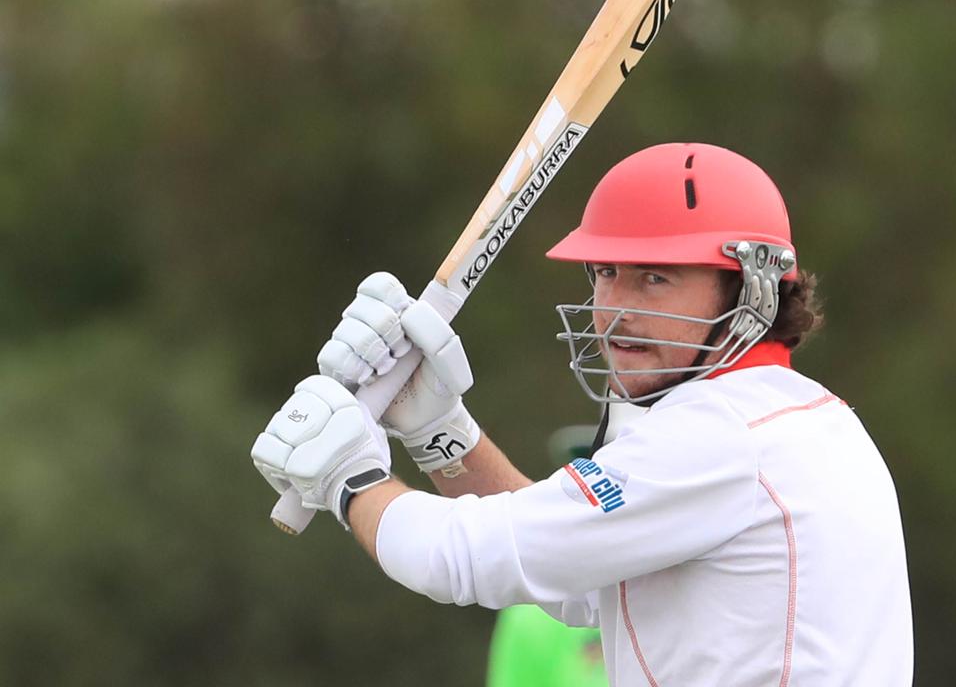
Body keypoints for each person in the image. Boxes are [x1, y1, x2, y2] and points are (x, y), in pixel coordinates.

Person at [251, 143, 914, 685]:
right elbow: (575, 580)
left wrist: (350, 481)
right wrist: (438, 433)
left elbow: (466, 559)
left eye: (654, 277)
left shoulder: (720, 437)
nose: (616, 307)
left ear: (753, 289)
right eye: (604, 271)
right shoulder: (800, 420)